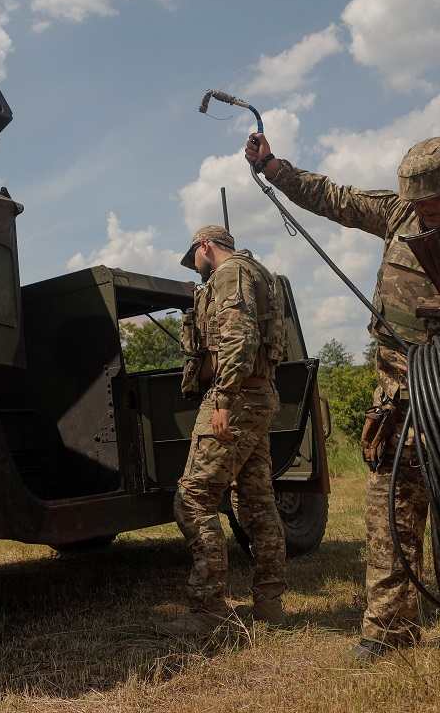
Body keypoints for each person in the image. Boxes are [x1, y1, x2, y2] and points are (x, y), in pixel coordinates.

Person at [243, 133, 440, 667]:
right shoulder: (399, 218)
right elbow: (334, 198)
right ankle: (389, 627)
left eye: (432, 199)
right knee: (389, 518)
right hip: (398, 405)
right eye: (415, 198)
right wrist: (273, 166)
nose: (422, 209)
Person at [158, 224, 288, 636]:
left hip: (237, 396)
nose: (195, 265)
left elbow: (240, 337)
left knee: (194, 497)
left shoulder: (229, 274)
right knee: (255, 500)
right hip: (260, 394)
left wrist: (223, 398)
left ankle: (208, 609)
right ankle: (269, 603)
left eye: (194, 256)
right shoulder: (261, 272)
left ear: (205, 247)